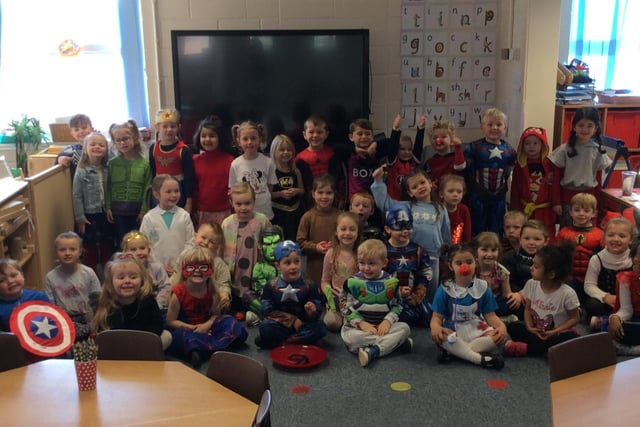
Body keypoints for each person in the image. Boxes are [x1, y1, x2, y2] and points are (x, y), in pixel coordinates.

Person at [372, 166, 451, 291]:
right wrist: (378, 182)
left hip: (432, 257)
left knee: (430, 291)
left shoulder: (441, 208)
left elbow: (445, 234)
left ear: (430, 183)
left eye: (422, 182)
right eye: (414, 187)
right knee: (410, 288)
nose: (420, 187)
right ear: (410, 192)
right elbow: (385, 204)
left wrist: (446, 256)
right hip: (410, 256)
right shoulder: (405, 206)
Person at [430, 243, 508, 369]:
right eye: (459, 263)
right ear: (451, 266)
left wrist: (501, 326)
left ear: (475, 263)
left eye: (469, 262)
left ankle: (456, 352)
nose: (464, 267)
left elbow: (490, 315)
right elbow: (436, 317)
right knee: (443, 337)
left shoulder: (482, 287)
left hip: (476, 328)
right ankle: (479, 359)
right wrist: (435, 327)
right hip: (453, 329)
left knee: (498, 338)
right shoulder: (445, 289)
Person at [167, 247, 248, 368]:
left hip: (207, 325)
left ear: (211, 270)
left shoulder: (212, 291)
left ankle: (205, 347)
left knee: (231, 323)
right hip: (185, 327)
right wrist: (193, 328)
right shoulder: (178, 293)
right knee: (181, 337)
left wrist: (206, 325)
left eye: (203, 267)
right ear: (184, 270)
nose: (197, 271)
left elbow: (216, 314)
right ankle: (210, 347)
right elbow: (171, 321)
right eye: (191, 267)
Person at [341, 239, 412, 367]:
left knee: (405, 328)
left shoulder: (391, 282)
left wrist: (387, 321)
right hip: (360, 328)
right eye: (362, 263)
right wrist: (361, 323)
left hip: (383, 327)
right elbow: (344, 306)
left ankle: (374, 351)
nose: (366, 268)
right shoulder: (352, 283)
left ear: (384, 263)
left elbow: (398, 305)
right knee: (351, 338)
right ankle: (393, 344)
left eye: (372, 263)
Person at [504, 241, 580, 357]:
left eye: (536, 266)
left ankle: (527, 349)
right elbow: (528, 309)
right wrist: (530, 327)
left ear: (551, 274)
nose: (531, 268)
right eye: (532, 264)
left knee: (570, 337)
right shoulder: (531, 284)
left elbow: (574, 318)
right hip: (536, 331)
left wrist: (555, 331)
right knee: (513, 327)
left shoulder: (567, 293)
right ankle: (548, 350)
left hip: (557, 333)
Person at [255, 240, 327, 348]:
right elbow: (266, 311)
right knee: (265, 326)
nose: (293, 267)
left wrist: (312, 310)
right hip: (281, 325)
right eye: (287, 263)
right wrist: (291, 320)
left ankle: (283, 343)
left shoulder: (309, 285)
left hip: (303, 325)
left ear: (301, 262)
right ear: (278, 266)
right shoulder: (271, 286)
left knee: (321, 327)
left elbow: (317, 311)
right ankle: (301, 340)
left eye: (296, 261)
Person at [548, 106, 612, 228]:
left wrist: (596, 205)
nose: (585, 129)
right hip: (568, 200)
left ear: (596, 128)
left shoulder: (598, 151)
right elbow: (556, 178)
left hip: (589, 199)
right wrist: (556, 202)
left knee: (586, 232)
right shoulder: (565, 149)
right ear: (574, 126)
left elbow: (598, 180)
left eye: (589, 125)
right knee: (567, 232)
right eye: (581, 125)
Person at [92, 255, 172, 349]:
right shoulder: (106, 303)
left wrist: (139, 341)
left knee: (167, 336)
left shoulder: (148, 301)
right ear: (111, 282)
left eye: (133, 277)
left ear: (141, 280)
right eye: (121, 278)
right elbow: (103, 331)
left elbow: (156, 326)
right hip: (116, 346)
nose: (127, 281)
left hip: (143, 344)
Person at [463, 108, 516, 237]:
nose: (494, 128)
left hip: (499, 197)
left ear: (505, 128)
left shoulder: (510, 150)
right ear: (482, 127)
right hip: (477, 196)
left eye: (499, 125)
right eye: (490, 124)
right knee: (477, 226)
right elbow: (465, 171)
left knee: (497, 227)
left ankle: (495, 251)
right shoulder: (474, 147)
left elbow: (509, 173)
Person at [222, 182, 271, 315]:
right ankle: (238, 305)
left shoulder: (261, 220)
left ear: (254, 201)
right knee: (237, 286)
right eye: (238, 204)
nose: (243, 208)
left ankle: (254, 305)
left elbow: (271, 240)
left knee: (254, 284)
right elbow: (221, 247)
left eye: (247, 203)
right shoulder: (227, 223)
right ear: (232, 203)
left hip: (256, 263)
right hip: (235, 265)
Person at [44, 232, 101, 340]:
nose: (67, 253)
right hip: (63, 321)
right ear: (56, 252)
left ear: (80, 251)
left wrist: (95, 323)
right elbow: (50, 305)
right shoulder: (50, 277)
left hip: (88, 320)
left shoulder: (88, 273)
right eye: (62, 250)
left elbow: (97, 300)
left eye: (72, 249)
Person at [383, 204, 432, 327]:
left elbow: (426, 272)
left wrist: (419, 292)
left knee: (429, 317)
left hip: (413, 295)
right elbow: (376, 274)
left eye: (408, 226)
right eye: (399, 227)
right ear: (388, 229)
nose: (405, 231)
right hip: (388, 296)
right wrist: (393, 292)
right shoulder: (381, 250)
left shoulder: (418, 250)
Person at [72, 131, 114, 276]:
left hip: (105, 212)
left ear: (106, 149)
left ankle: (107, 272)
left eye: (101, 145)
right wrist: (79, 217)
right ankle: (90, 273)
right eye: (93, 144)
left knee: (106, 243)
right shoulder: (82, 170)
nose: (97, 147)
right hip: (89, 214)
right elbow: (77, 194)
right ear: (85, 149)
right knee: (89, 245)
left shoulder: (108, 167)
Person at [106, 120, 152, 245]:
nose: (122, 142)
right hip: (117, 212)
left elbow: (147, 189)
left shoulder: (145, 164)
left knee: (137, 242)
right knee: (122, 243)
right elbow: (108, 187)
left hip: (136, 212)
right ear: (114, 143)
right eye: (118, 140)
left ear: (135, 138)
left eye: (125, 138)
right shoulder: (112, 164)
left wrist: (143, 210)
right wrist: (108, 206)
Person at [140, 174, 195, 275]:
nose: (173, 195)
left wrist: (180, 263)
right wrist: (159, 266)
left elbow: (190, 242)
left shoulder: (184, 216)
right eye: (168, 192)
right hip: (156, 271)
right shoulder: (149, 218)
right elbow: (145, 245)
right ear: (156, 194)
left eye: (176, 191)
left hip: (180, 269)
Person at [584, 217, 633, 322]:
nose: (616, 239)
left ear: (631, 239)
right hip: (606, 301)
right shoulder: (597, 259)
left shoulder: (634, 259)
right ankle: (605, 320)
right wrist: (605, 296)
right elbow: (589, 285)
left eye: (622, 236)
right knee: (592, 304)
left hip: (629, 301)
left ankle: (605, 321)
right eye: (611, 235)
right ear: (604, 238)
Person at [510, 126, 556, 241]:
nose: (531, 146)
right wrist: (515, 211)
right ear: (522, 146)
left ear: (542, 145)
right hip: (525, 209)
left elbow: (555, 187)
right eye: (527, 143)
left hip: (545, 211)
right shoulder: (520, 166)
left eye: (535, 143)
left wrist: (556, 204)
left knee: (546, 237)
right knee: (527, 237)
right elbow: (515, 190)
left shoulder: (551, 165)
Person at [555, 193, 603, 300]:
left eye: (586, 211)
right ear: (570, 212)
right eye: (577, 210)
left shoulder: (600, 235)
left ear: (594, 213)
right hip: (569, 278)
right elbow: (557, 257)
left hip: (593, 279)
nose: (581, 214)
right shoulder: (563, 233)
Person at [297, 174, 341, 285]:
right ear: (313, 194)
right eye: (320, 192)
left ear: (334, 195)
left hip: (336, 265)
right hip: (314, 265)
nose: (324, 197)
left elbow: (346, 237)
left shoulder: (340, 216)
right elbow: (300, 242)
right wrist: (316, 247)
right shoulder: (308, 217)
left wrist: (336, 244)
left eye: (328, 193)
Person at [228, 121, 278, 220]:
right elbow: (234, 189)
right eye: (245, 139)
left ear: (260, 139)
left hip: (265, 213)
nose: (249, 142)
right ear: (239, 141)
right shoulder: (235, 164)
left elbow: (270, 187)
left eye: (253, 138)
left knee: (268, 235)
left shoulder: (268, 162)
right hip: (244, 214)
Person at [149, 108, 195, 212]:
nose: (169, 129)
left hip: (177, 191)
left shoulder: (183, 150)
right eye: (165, 126)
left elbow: (189, 178)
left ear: (178, 128)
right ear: (157, 127)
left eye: (172, 126)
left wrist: (189, 202)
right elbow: (152, 174)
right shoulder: (153, 148)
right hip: (159, 192)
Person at [191, 116, 235, 226]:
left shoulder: (230, 160)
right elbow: (193, 188)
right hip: (201, 212)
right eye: (203, 136)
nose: (207, 139)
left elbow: (233, 188)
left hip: (224, 211)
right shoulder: (194, 160)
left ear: (219, 137)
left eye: (212, 136)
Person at [500, 219, 549, 317]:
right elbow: (509, 282)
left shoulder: (550, 260)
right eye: (526, 238)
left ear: (546, 242)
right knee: (504, 303)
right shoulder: (508, 258)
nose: (531, 242)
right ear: (520, 239)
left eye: (537, 239)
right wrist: (517, 295)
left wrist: (526, 295)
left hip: (542, 299)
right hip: (518, 298)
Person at [321, 212, 360, 332]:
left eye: (352, 229)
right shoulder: (331, 253)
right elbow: (324, 281)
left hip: (356, 299)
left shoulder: (361, 253)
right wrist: (330, 297)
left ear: (358, 233)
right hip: (337, 298)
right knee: (332, 323)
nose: (347, 233)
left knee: (355, 323)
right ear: (336, 232)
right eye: (343, 229)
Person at [121, 231, 171, 311]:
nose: (139, 252)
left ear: (149, 250)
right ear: (125, 253)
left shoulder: (157, 267)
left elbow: (165, 286)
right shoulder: (123, 270)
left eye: (142, 248)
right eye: (133, 250)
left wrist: (158, 303)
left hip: (155, 307)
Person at [245, 226, 284, 326]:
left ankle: (264, 317)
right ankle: (272, 317)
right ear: (260, 246)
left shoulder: (287, 263)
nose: (273, 248)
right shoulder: (259, 267)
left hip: (286, 298)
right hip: (268, 300)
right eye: (268, 244)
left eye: (276, 243)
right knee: (248, 296)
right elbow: (259, 288)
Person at [474, 232, 517, 320]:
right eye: (484, 250)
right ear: (476, 251)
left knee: (510, 303)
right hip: (476, 301)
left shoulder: (501, 271)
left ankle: (490, 316)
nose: (489, 254)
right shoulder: (472, 268)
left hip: (495, 303)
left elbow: (506, 294)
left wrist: (514, 297)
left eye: (493, 250)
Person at [269, 134, 304, 241]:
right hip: (278, 213)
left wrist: (296, 191)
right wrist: (281, 194)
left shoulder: (295, 171)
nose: (285, 152)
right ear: (274, 151)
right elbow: (269, 194)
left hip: (295, 212)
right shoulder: (272, 171)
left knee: (294, 239)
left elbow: (302, 190)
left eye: (288, 150)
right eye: (282, 150)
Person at [0, 258, 49, 332]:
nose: (10, 281)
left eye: (13, 276)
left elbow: (52, 320)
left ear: (22, 276)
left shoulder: (39, 297)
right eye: (2, 280)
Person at [609, 242, 640, 355]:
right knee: (620, 329)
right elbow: (626, 309)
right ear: (633, 259)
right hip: (635, 320)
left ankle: (630, 350)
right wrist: (616, 317)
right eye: (638, 256)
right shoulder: (626, 279)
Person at [385, 114, 422, 200]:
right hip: (394, 202)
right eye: (402, 149)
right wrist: (395, 129)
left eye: (409, 149)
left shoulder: (414, 162)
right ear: (397, 150)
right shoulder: (393, 162)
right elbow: (392, 148)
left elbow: (418, 148)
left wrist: (421, 129)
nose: (407, 152)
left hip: (411, 202)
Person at [419, 119, 465, 189]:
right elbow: (426, 179)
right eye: (435, 138)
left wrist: (458, 147)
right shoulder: (429, 162)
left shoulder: (457, 158)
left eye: (443, 137)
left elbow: (460, 167)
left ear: (451, 139)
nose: (438, 140)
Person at [439, 173, 471, 244]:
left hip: (458, 250)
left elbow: (467, 234)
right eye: (451, 191)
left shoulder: (464, 210)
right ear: (441, 194)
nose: (455, 194)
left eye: (459, 192)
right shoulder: (437, 210)